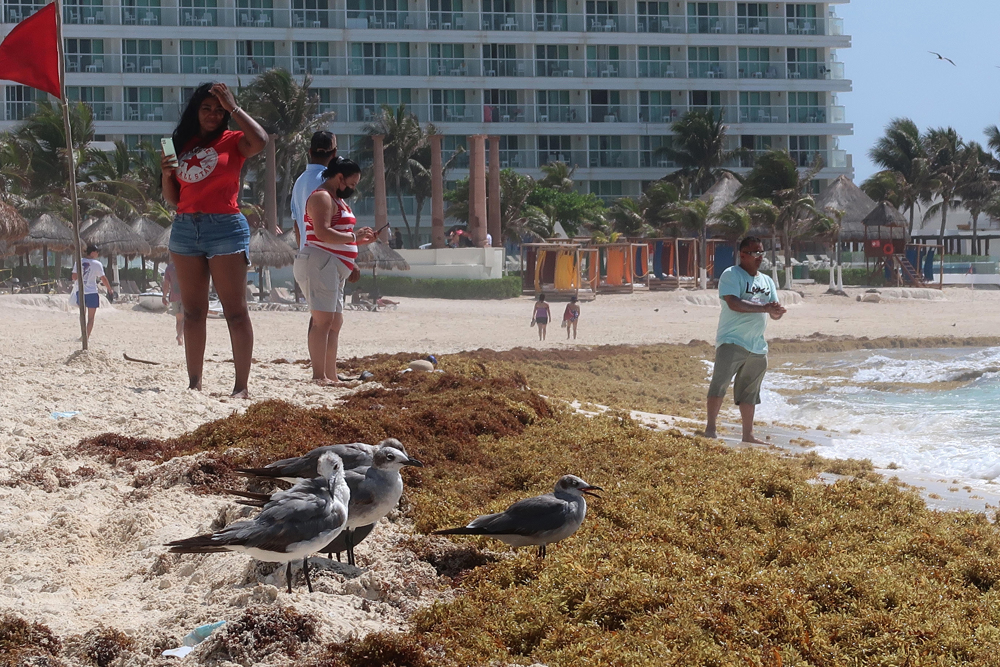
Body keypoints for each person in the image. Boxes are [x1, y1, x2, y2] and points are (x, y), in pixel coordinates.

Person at [161, 82, 269, 398]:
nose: (212, 114)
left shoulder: (234, 140)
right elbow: (173, 199)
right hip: (184, 228)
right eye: (207, 108)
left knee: (235, 312)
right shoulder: (181, 143)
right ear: (196, 110)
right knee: (193, 312)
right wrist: (167, 174)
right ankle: (195, 384)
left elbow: (260, 140)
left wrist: (234, 107)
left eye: (218, 109)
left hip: (225, 227)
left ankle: (241, 387)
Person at [293, 158, 376, 386]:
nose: (353, 188)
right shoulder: (322, 197)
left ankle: (330, 374)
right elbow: (322, 232)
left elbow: (339, 235)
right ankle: (319, 375)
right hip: (320, 262)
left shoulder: (336, 199)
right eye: (352, 183)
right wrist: (354, 238)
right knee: (323, 321)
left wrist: (359, 241)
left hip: (333, 265)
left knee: (334, 321)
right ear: (339, 177)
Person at [704, 236, 786, 444]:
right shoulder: (731, 275)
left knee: (750, 392)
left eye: (761, 253)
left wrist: (776, 312)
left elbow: (773, 312)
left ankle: (748, 435)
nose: (759, 257)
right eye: (755, 253)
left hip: (757, 346)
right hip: (732, 340)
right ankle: (711, 427)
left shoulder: (766, 281)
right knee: (720, 383)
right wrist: (765, 308)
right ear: (742, 255)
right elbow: (733, 303)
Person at [291, 131, 337, 251]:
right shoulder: (331, 181)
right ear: (334, 153)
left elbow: (297, 225)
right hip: (326, 256)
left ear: (310, 152)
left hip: (306, 255)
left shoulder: (299, 182)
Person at [71, 244, 113, 338]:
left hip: (80, 291)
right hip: (92, 292)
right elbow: (103, 278)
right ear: (93, 252)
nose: (98, 254)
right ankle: (86, 337)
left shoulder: (79, 262)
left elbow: (74, 277)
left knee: (82, 315)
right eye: (97, 252)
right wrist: (109, 289)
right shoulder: (97, 264)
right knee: (91, 317)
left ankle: (83, 335)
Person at [162, 260, 184, 345]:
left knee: (179, 319)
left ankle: (180, 338)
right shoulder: (185, 266)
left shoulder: (169, 268)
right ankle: (180, 336)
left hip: (173, 296)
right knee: (184, 318)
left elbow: (166, 284)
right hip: (184, 295)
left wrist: (164, 296)